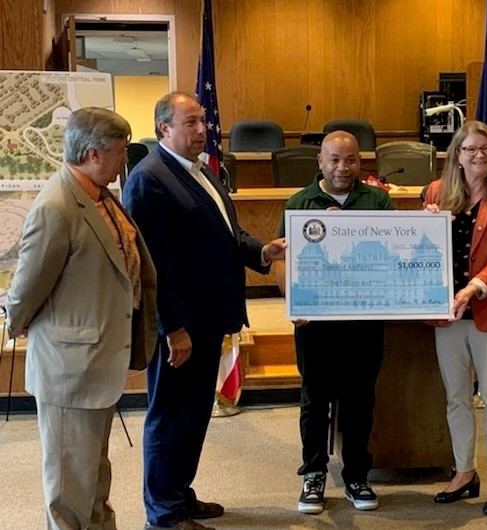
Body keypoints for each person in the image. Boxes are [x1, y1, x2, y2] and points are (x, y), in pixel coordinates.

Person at [123, 92, 285, 530]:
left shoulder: (205, 172)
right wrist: (173, 327)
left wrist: (262, 251)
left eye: (203, 122)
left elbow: (228, 232)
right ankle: (164, 511)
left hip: (210, 318)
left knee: (193, 415)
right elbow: (158, 266)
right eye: (191, 123)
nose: (202, 131)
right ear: (164, 130)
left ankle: (180, 494)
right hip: (182, 326)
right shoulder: (149, 179)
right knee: (171, 415)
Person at [4, 107, 157, 530]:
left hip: (96, 366)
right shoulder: (56, 206)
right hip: (70, 371)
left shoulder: (99, 194)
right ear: (93, 153)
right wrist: (14, 323)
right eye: (120, 151)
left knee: (94, 480)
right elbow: (28, 284)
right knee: (70, 492)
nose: (125, 159)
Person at [278, 130, 393, 515]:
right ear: (320, 161)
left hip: (363, 317)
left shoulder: (377, 200)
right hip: (316, 322)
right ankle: (313, 474)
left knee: (361, 398)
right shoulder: (299, 202)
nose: (342, 168)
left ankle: (357, 475)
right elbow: (283, 262)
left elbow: (392, 253)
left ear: (360, 162)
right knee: (316, 399)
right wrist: (291, 300)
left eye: (350, 160)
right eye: (334, 160)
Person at [423, 121, 487, 517]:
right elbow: (421, 250)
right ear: (456, 154)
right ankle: (465, 471)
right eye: (469, 149)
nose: (478, 155)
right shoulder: (435, 192)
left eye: (486, 148)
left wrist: (472, 288)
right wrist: (427, 224)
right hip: (446, 312)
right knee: (456, 397)